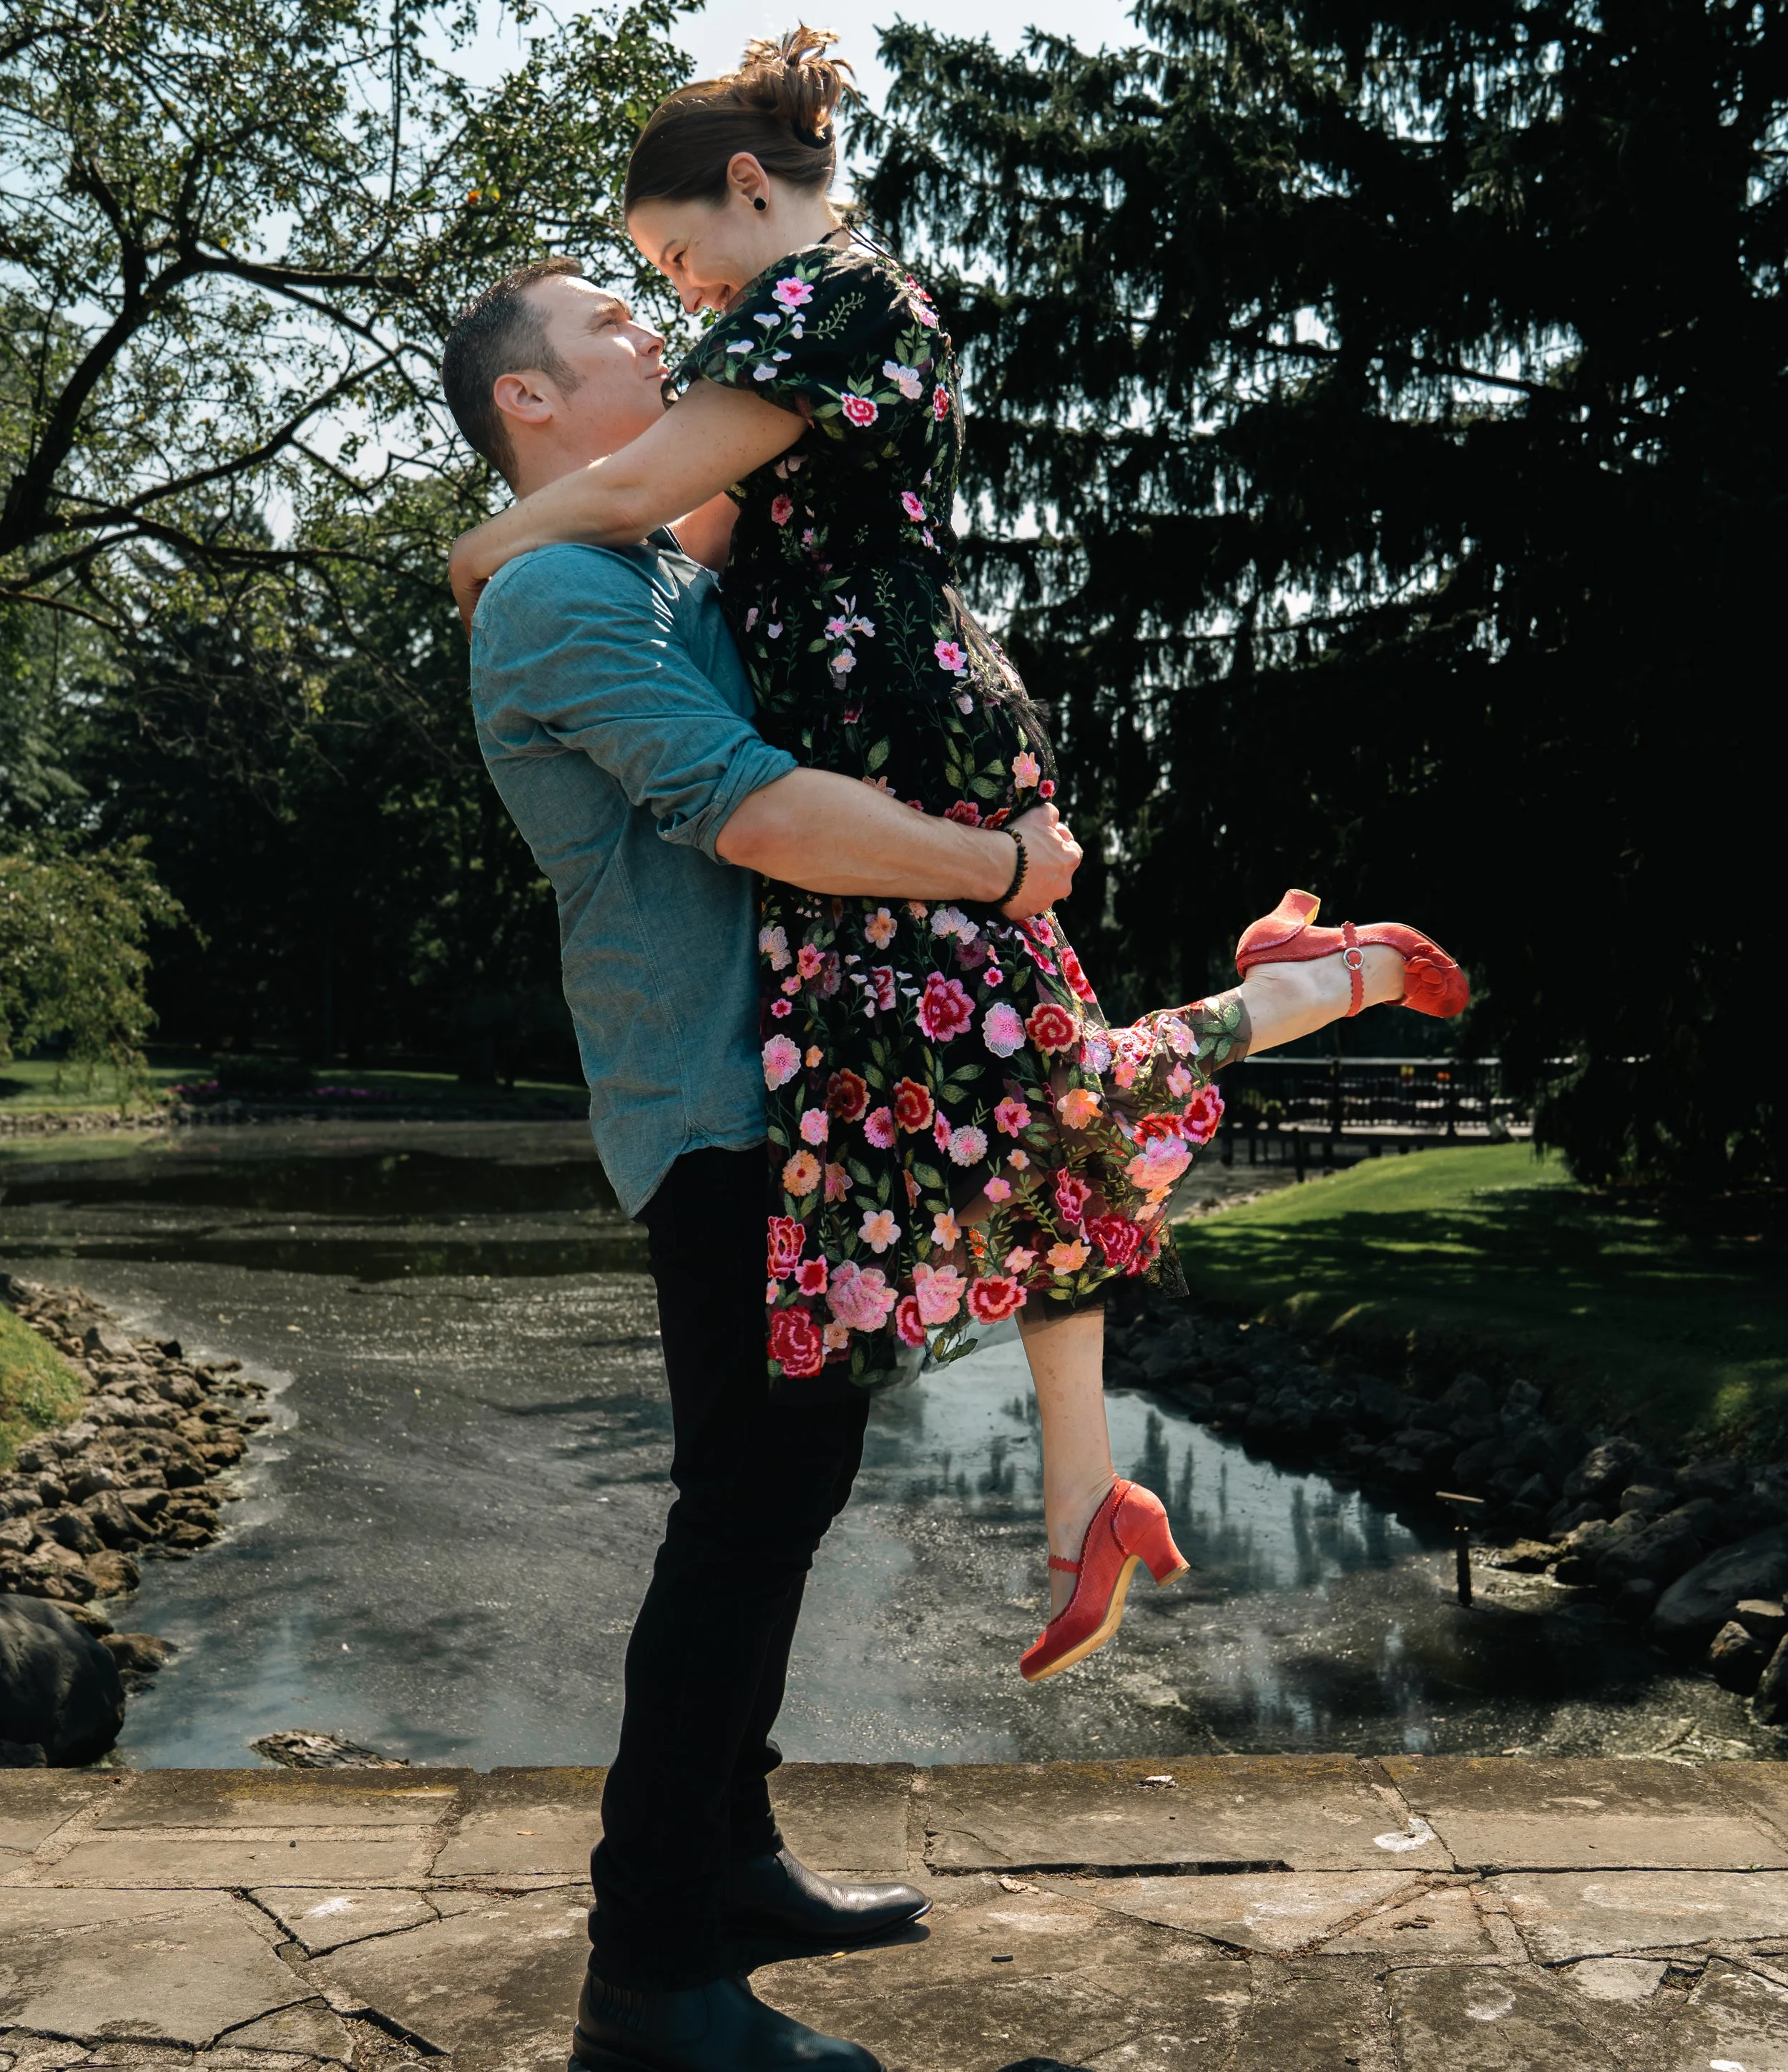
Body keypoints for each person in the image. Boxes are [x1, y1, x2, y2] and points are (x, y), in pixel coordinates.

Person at [450, 28, 1468, 1691]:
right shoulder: (754, 365)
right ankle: (1087, 1482)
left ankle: (1305, 994)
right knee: (1026, 1099)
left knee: (1034, 1085)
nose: (674, 297)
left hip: (898, 714)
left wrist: (487, 539)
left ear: (750, 185)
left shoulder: (833, 298)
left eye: (668, 258)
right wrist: (557, 545)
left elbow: (648, 489)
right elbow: (675, 522)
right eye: (635, 294)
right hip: (869, 732)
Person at [441, 257, 1085, 2072]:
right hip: (717, 1106)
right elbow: (752, 809)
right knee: (741, 1505)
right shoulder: (557, 598)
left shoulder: (662, 561)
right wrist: (1005, 870)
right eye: (609, 327)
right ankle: (649, 1971)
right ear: (526, 402)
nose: (656, 336)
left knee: (785, 1488)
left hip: (813, 1098)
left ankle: (729, 1860)